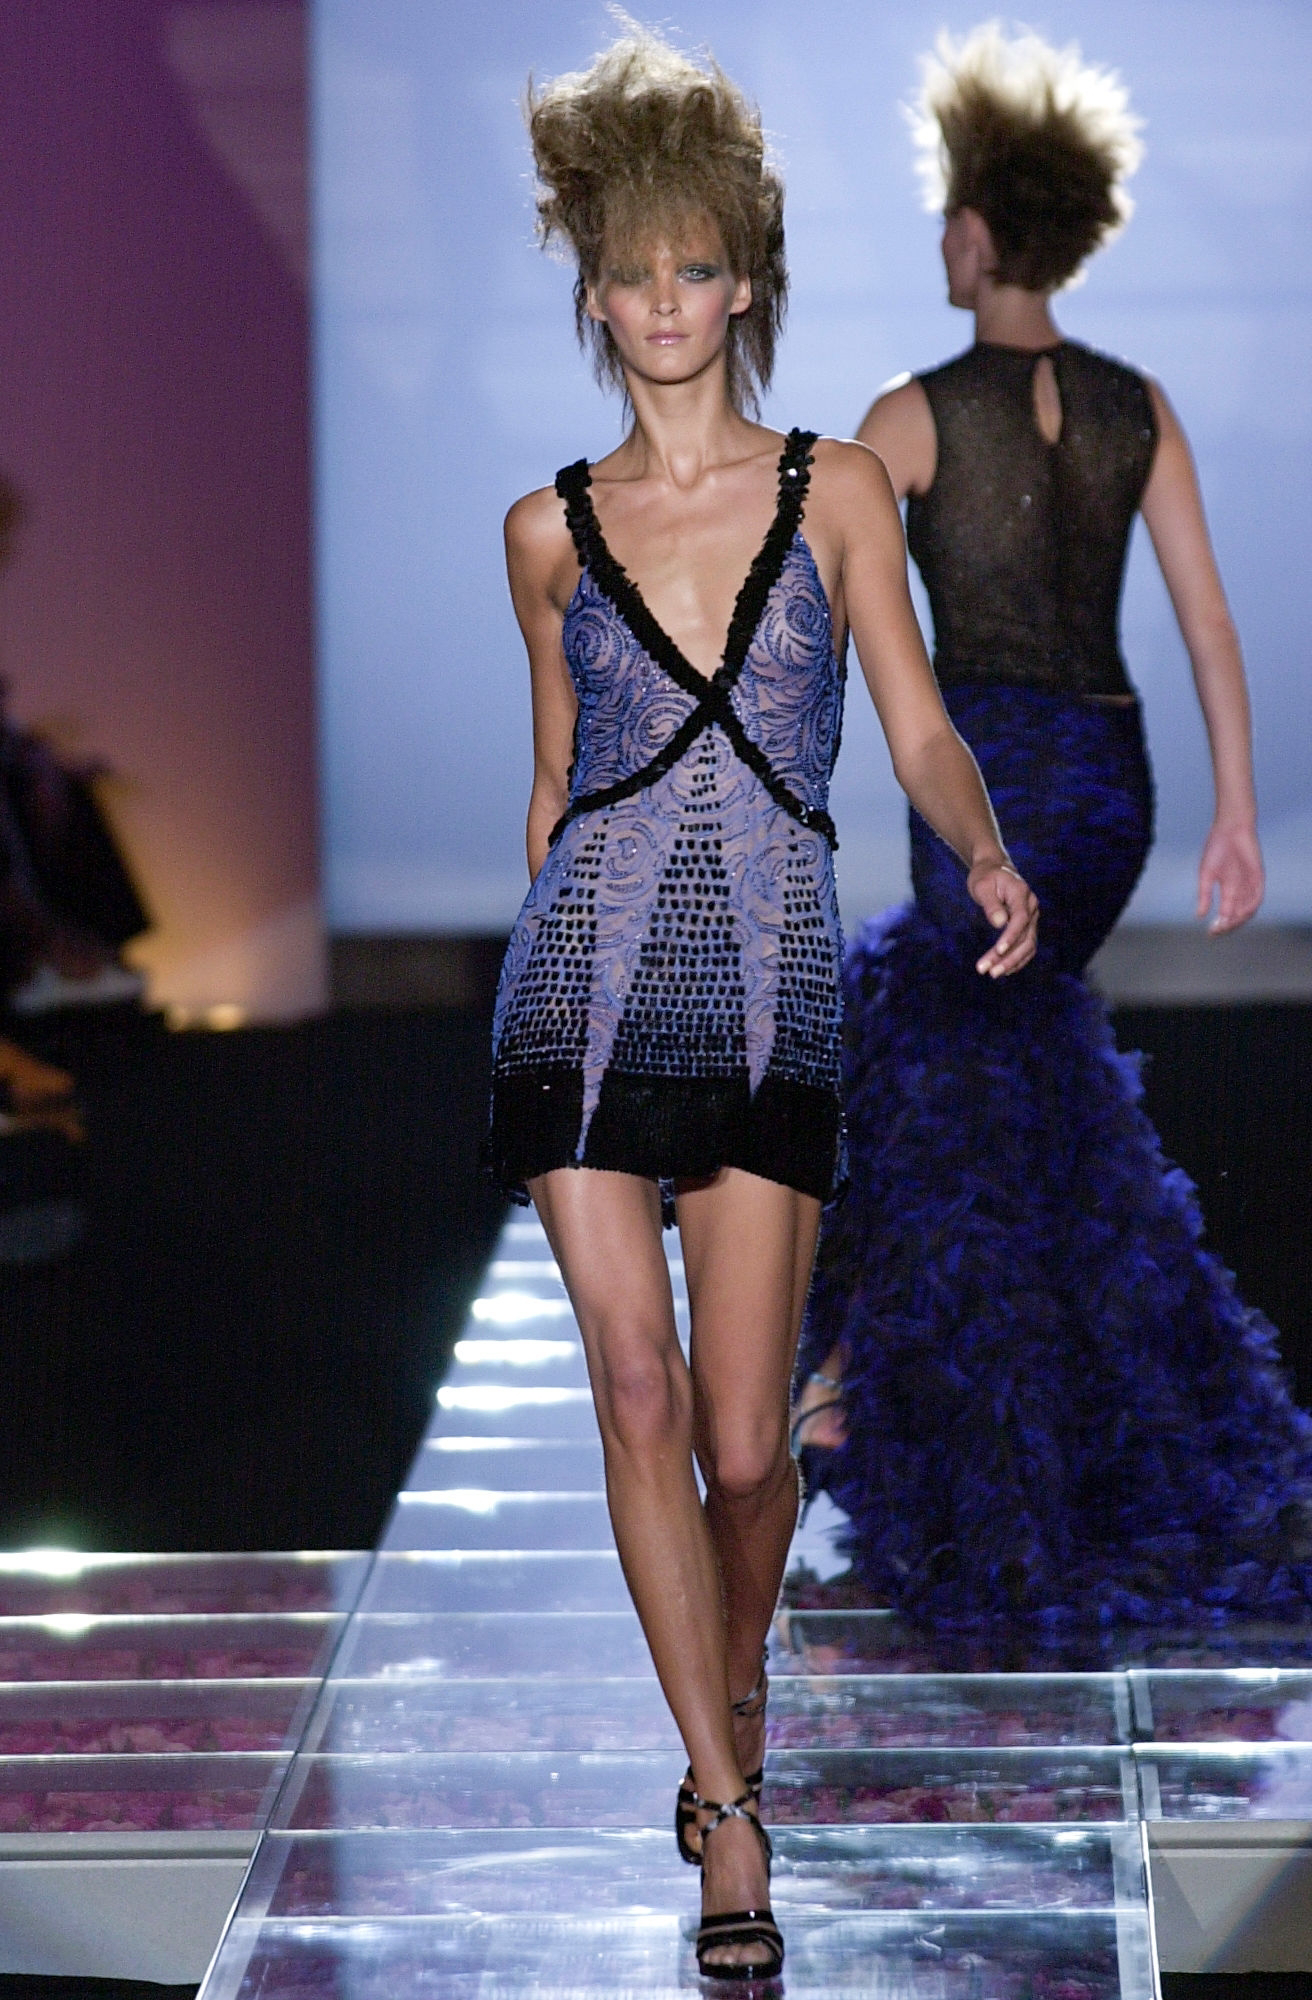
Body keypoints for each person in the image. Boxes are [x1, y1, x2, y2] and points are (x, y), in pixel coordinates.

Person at [485, 23, 1038, 1976]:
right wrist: (534, 959)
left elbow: (916, 726)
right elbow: (556, 792)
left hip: (766, 992)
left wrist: (981, 851)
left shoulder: (838, 494)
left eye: (692, 267)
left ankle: (733, 1679)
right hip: (578, 988)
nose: (660, 302)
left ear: (743, 281)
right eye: (628, 272)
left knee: (743, 1451)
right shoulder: (544, 533)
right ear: (594, 292)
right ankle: (725, 1810)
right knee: (631, 1389)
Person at [792, 24, 1312, 1626]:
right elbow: (1209, 623)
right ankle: (1086, 1425)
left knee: (934, 1053)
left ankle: (935, 1431)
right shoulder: (1138, 404)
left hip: (990, 776)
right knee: (1010, 1069)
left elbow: (807, 604)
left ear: (972, 230)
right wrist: (1237, 813)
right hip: (1110, 785)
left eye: (943, 219)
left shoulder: (912, 413)